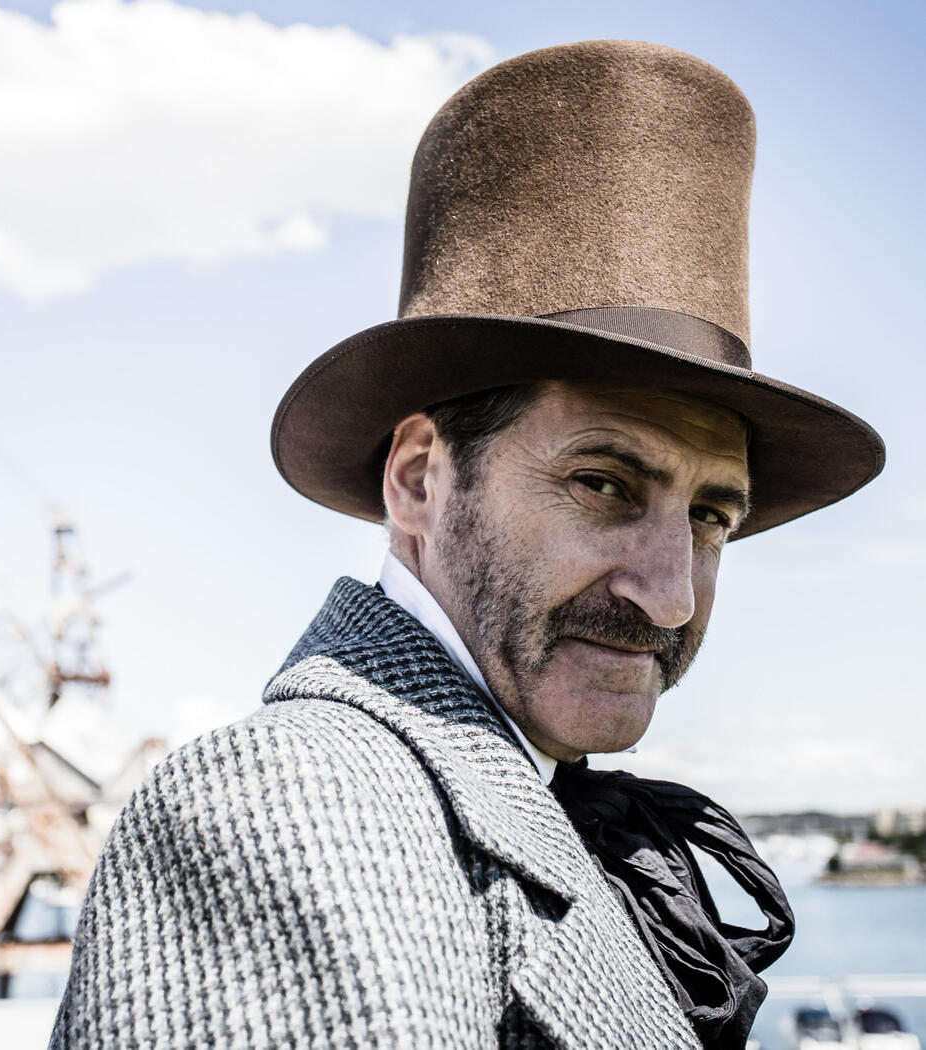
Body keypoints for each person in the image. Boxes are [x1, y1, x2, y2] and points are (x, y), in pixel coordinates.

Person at [49, 40, 884, 1050]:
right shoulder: (288, 816)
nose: (672, 598)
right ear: (418, 482)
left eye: (712, 516)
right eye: (604, 483)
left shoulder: (496, 799)